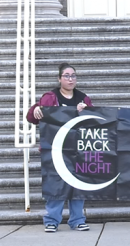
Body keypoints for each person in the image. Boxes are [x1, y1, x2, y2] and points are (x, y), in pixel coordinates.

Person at [26, 63, 93, 233]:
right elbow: (31, 117)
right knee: (55, 185)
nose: (71, 79)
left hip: (77, 149)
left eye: (73, 75)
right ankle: (52, 220)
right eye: (67, 75)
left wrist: (85, 112)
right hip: (54, 149)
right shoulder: (50, 98)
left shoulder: (83, 99)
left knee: (78, 185)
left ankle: (77, 220)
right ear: (59, 78)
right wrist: (37, 109)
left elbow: (94, 121)